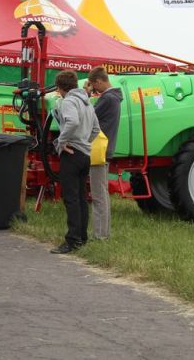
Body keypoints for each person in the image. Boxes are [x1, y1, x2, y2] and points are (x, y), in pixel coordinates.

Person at [50, 70, 100, 254]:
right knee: (81, 198)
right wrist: (85, 142)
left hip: (71, 155)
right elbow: (96, 129)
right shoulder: (87, 102)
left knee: (70, 198)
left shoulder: (68, 101)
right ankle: (82, 237)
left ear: (60, 88)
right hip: (84, 154)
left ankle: (71, 240)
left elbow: (71, 122)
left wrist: (62, 142)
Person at [86, 66, 123, 240]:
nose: (94, 89)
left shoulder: (107, 98)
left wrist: (85, 96)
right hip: (106, 150)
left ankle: (100, 235)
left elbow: (88, 117)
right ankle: (104, 233)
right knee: (103, 193)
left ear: (99, 81)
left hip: (98, 151)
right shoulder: (115, 97)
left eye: (94, 86)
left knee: (98, 195)